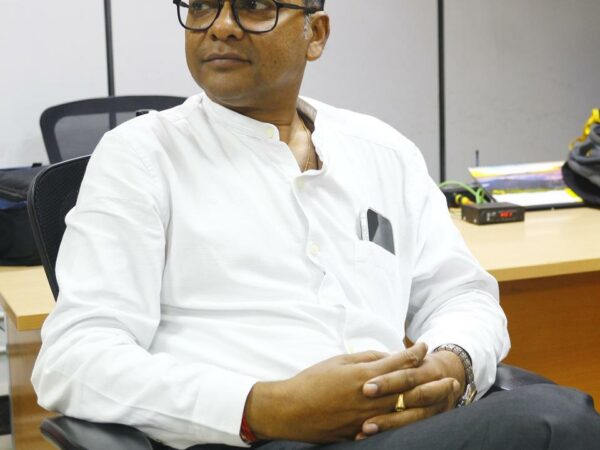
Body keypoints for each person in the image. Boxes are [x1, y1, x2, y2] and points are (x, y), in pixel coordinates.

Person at [32, 1, 600, 449]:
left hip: (392, 427)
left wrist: (452, 365)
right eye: (202, 5)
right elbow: (74, 359)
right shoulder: (141, 156)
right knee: (557, 422)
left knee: (554, 413)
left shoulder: (381, 150)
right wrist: (263, 406)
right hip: (252, 439)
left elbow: (461, 294)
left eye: (254, 6)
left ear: (316, 33)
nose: (220, 26)